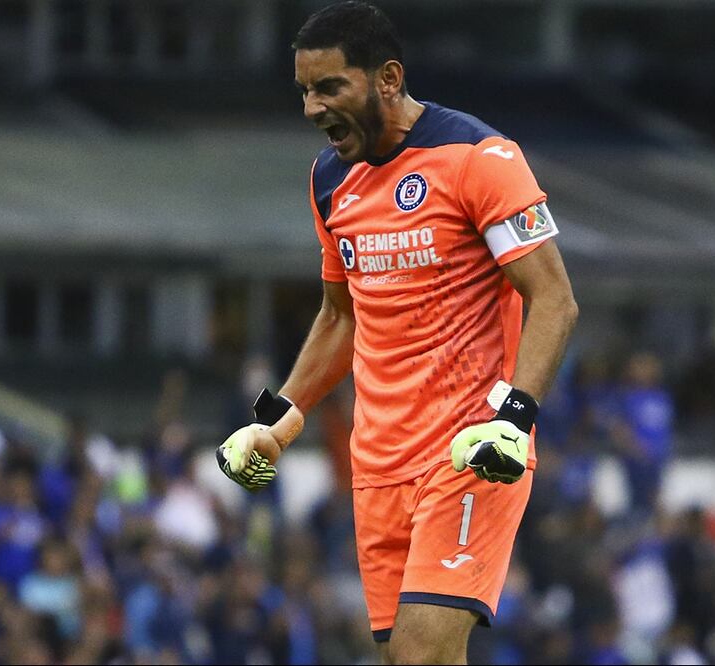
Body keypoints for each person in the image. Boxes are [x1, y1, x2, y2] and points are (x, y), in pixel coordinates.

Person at [215, 2, 578, 663]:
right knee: (412, 658)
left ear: (386, 78)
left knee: (420, 655)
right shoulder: (330, 179)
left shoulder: (478, 158)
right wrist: (277, 420)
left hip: (469, 453)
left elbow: (554, 299)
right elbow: (339, 316)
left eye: (330, 87)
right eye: (304, 91)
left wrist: (513, 419)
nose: (312, 108)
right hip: (377, 467)